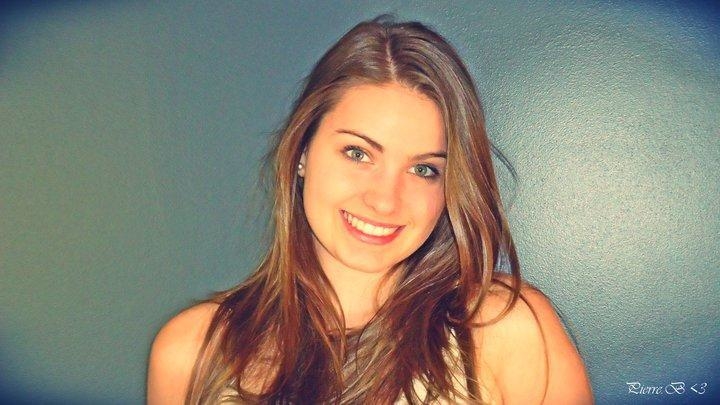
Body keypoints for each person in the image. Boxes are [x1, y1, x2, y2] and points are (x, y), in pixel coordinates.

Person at [147, 16, 593, 404]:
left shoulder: (506, 329)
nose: (384, 199)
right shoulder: (192, 351)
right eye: (358, 153)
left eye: (423, 169)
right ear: (302, 152)